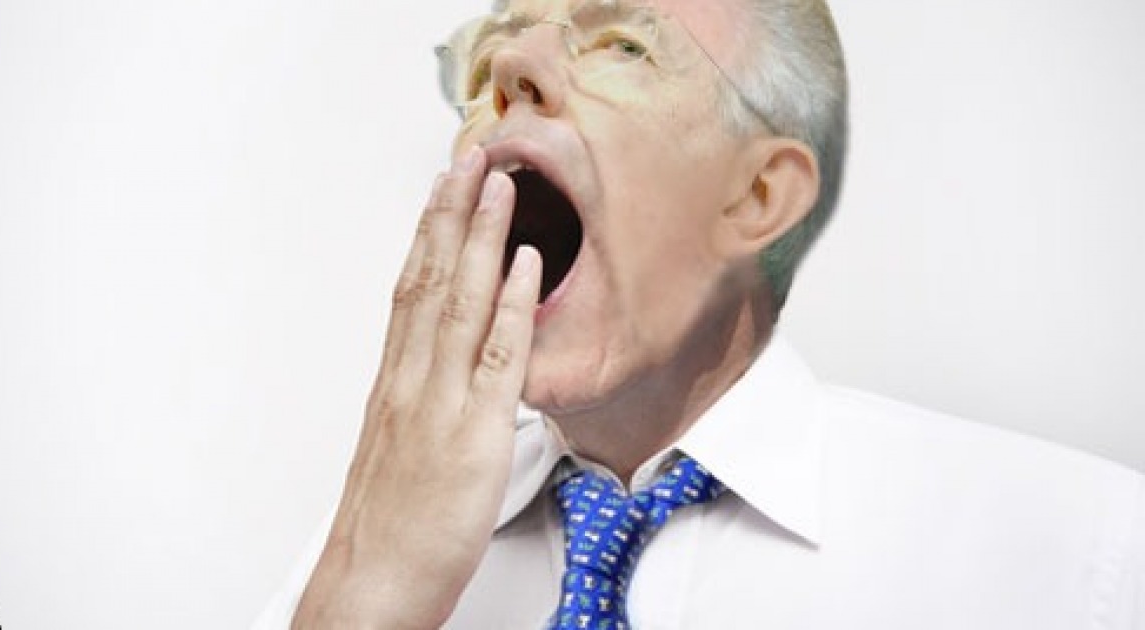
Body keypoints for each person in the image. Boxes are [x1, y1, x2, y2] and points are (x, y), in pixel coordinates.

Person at [255, 0, 1145, 627]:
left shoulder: (1081, 553)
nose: (512, 74)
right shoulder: (358, 559)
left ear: (756, 196)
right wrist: (358, 605)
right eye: (487, 68)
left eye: (622, 47)